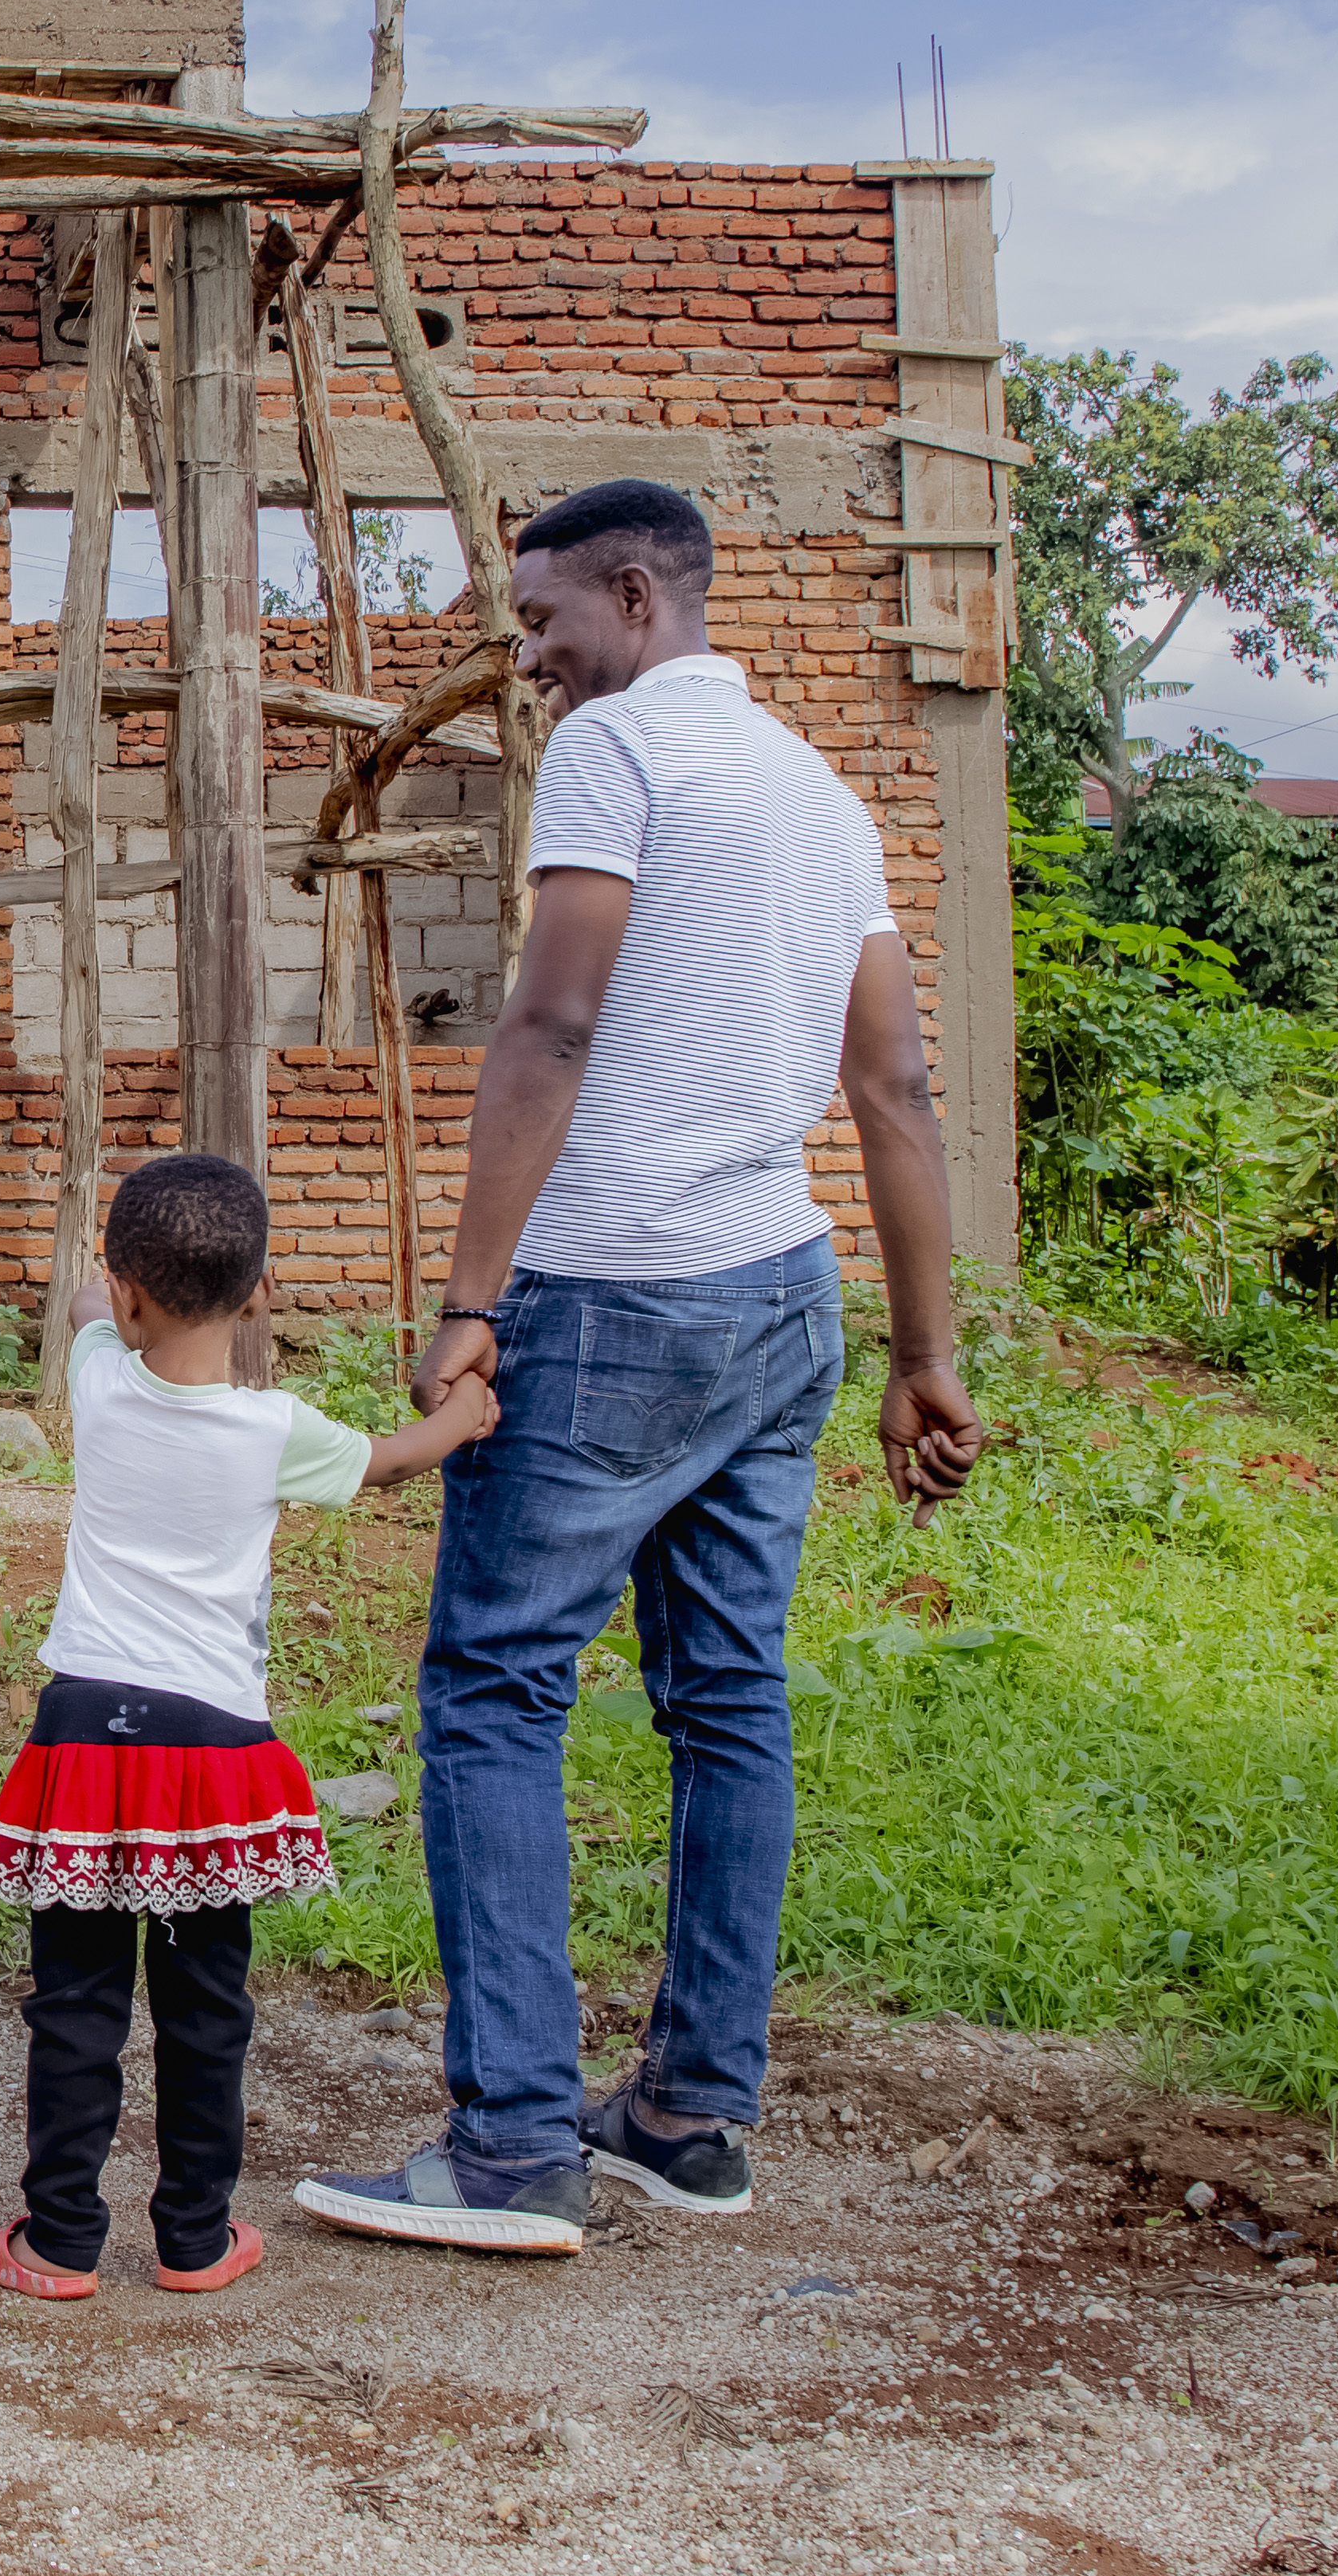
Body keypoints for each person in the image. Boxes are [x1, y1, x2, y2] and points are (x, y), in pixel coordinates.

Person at [297, 478, 987, 2260]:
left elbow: (553, 1018)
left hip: (611, 1296)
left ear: (635, 594)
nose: (529, 664)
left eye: (542, 626)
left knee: (492, 1691)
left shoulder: (622, 756)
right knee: (728, 1698)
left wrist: (471, 1296)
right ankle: (687, 2114)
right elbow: (895, 1090)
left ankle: (516, 2146)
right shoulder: (819, 792)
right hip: (779, 1297)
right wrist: (925, 1352)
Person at [0, 1154, 496, 2301]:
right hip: (211, 1750)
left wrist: (106, 1286)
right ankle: (194, 2240)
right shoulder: (276, 1431)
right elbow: (397, 1462)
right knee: (208, 2009)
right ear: (262, 1294)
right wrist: (465, 1411)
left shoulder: (101, 1379)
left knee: (76, 2007)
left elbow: (84, 1306)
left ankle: (58, 2242)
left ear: (130, 1294)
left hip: (83, 1740)